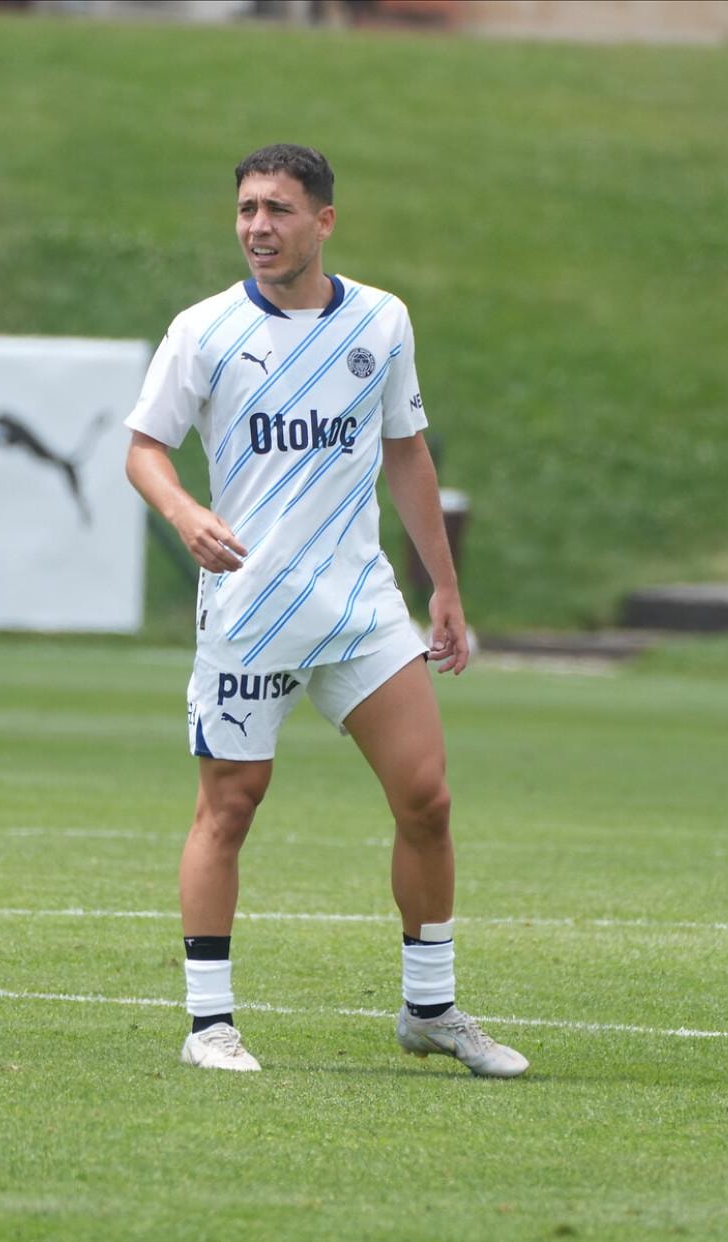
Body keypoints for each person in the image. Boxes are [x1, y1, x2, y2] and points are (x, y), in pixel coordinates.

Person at [124, 143, 527, 1078]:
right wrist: (185, 513)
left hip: (358, 603)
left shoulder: (381, 321)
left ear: (324, 221)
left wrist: (444, 589)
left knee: (427, 798)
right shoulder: (205, 330)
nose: (258, 227)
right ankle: (208, 1025)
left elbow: (407, 453)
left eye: (277, 209)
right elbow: (144, 448)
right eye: (246, 210)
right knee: (229, 807)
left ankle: (431, 1008)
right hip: (251, 607)